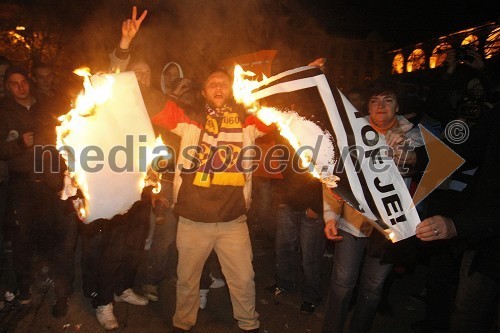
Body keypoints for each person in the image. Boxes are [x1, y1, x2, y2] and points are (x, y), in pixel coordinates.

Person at [152, 68, 271, 332]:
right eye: (212, 84)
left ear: (232, 91)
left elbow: (281, 112)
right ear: (204, 92)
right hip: (194, 220)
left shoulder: (248, 120)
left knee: (244, 279)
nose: (218, 88)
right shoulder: (191, 118)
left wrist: (307, 76)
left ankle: (249, 324)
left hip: (233, 220)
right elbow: (154, 104)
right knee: (186, 280)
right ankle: (182, 324)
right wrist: (124, 60)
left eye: (224, 84)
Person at [322, 80, 426, 332]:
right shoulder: (351, 133)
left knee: (373, 287)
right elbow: (332, 176)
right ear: (367, 107)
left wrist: (402, 155)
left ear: (397, 106)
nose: (380, 106)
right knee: (342, 284)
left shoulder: (413, 137)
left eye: (387, 100)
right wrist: (330, 216)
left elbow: (422, 172)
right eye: (374, 100)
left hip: (389, 229)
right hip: (352, 223)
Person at [415, 99, 500, 333]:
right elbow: (468, 146)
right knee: (467, 313)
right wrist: (415, 157)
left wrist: (457, 225)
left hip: (479, 225)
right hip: (482, 239)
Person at [0, 65, 77, 317]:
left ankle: (62, 294)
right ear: (6, 86)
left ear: (29, 82)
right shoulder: (3, 112)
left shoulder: (50, 105)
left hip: (54, 184)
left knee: (61, 241)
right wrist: (19, 145)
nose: (20, 87)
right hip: (23, 186)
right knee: (23, 239)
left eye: (23, 81)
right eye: (13, 83)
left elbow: (71, 135)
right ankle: (24, 287)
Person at [267, 135, 326, 314]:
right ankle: (286, 284)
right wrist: (282, 198)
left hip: (312, 208)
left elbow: (326, 171)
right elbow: (282, 167)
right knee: (283, 249)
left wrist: (316, 205)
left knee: (310, 257)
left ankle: (311, 296)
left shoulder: (318, 134)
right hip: (288, 203)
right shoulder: (286, 130)